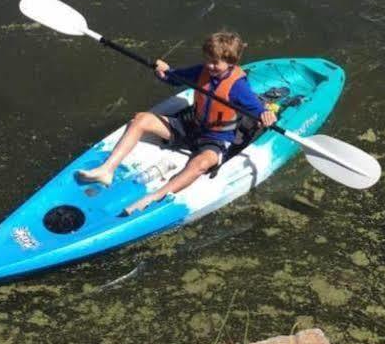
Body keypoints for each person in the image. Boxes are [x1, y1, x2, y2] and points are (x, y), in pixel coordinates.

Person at [75, 31, 277, 215]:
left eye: (216, 63)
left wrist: (267, 115)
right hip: (191, 125)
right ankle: (106, 170)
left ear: (231, 62)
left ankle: (155, 196)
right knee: (141, 119)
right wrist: (164, 71)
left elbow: (258, 110)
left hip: (215, 138)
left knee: (201, 163)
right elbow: (174, 78)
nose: (210, 66)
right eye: (208, 60)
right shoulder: (202, 71)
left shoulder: (238, 87)